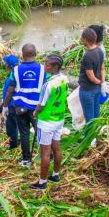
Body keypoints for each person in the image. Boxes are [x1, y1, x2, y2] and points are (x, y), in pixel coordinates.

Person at [0, 44, 43, 167]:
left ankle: (26, 160)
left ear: (22, 55)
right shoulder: (43, 69)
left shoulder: (16, 70)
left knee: (24, 133)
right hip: (37, 108)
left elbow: (10, 90)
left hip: (20, 107)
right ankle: (46, 156)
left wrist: (5, 106)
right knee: (41, 131)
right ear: (35, 54)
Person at [30, 54, 69, 190]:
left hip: (46, 121)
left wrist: (35, 112)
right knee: (57, 147)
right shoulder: (64, 79)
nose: (45, 66)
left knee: (45, 153)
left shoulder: (48, 84)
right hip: (59, 118)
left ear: (54, 67)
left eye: (47, 65)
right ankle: (56, 174)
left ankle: (42, 182)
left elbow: (41, 104)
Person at [78, 28, 106, 131]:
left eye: (82, 38)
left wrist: (99, 82)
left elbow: (91, 77)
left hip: (87, 91)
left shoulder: (88, 56)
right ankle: (95, 135)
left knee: (89, 117)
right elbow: (103, 68)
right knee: (96, 114)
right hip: (97, 89)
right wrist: (102, 83)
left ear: (85, 39)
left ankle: (88, 140)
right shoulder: (100, 50)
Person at [0, 54, 20, 149]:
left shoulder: (11, 77)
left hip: (11, 106)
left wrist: (2, 107)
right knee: (16, 124)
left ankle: (13, 145)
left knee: (11, 126)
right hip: (16, 104)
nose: (4, 64)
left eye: (6, 63)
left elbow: (8, 94)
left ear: (9, 66)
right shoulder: (16, 73)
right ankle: (16, 141)